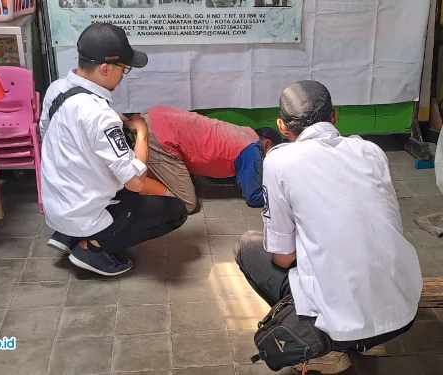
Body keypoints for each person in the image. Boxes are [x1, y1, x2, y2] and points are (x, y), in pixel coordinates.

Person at [235, 80, 422, 374]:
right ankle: (367, 342)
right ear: (334, 117)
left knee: (248, 246)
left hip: (344, 322)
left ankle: (326, 350)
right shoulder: (370, 151)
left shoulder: (279, 160)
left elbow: (282, 257)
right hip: (403, 311)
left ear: (282, 127)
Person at [39, 23, 187, 276]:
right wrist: (142, 133)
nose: (123, 75)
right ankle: (92, 249)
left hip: (57, 205)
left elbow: (47, 131)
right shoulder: (99, 115)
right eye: (123, 69)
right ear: (105, 68)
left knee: (110, 180)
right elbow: (136, 183)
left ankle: (68, 235)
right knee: (175, 211)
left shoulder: (58, 89)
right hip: (82, 210)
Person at [124, 106, 283, 213]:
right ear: (267, 144)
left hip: (154, 117)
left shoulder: (245, 133)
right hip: (158, 135)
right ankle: (131, 187)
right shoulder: (253, 151)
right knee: (187, 205)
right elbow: (253, 197)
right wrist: (286, 196)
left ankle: (139, 174)